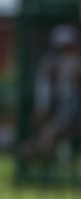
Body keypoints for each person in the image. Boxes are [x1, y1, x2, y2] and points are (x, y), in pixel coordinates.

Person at [21, 24, 81, 162]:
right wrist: (42, 107)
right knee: (49, 141)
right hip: (59, 112)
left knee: (55, 139)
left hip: (74, 110)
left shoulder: (76, 61)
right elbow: (43, 87)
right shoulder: (50, 62)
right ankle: (29, 152)